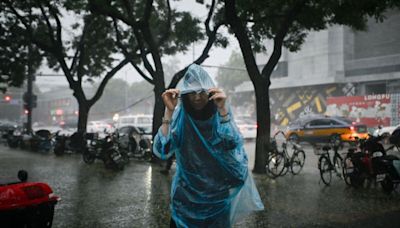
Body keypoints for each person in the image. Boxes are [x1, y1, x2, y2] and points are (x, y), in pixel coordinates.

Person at [153, 64, 264, 228]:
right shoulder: (181, 116)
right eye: (192, 93)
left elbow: (231, 142)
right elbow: (164, 149)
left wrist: (222, 109)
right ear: (185, 93)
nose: (197, 98)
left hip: (216, 197)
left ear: (209, 91)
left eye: (201, 92)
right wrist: (169, 112)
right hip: (186, 197)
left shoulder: (219, 113)